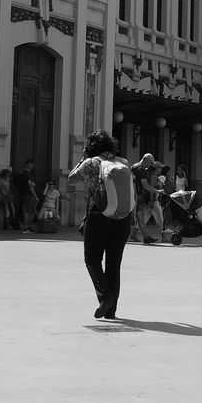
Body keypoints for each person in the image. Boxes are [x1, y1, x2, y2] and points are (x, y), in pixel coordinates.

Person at [68, 130, 132, 320]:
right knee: (114, 264)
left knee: (92, 259)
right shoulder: (123, 162)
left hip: (98, 216)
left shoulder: (91, 163)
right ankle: (111, 311)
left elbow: (71, 179)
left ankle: (105, 298)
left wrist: (83, 157)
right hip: (122, 218)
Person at [131, 153, 161, 244]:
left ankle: (146, 237)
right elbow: (145, 185)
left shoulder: (134, 167)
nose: (150, 165)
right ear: (145, 160)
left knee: (138, 217)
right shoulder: (142, 170)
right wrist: (157, 191)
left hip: (131, 195)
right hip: (138, 197)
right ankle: (145, 237)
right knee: (139, 217)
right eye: (150, 162)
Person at [12, 159, 38, 232]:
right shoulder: (26, 174)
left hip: (27, 194)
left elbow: (31, 184)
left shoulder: (26, 174)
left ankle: (28, 226)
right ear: (27, 164)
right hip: (28, 195)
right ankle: (26, 227)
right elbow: (30, 186)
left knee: (32, 211)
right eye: (31, 164)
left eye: (32, 164)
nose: (32, 166)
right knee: (27, 211)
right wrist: (36, 196)